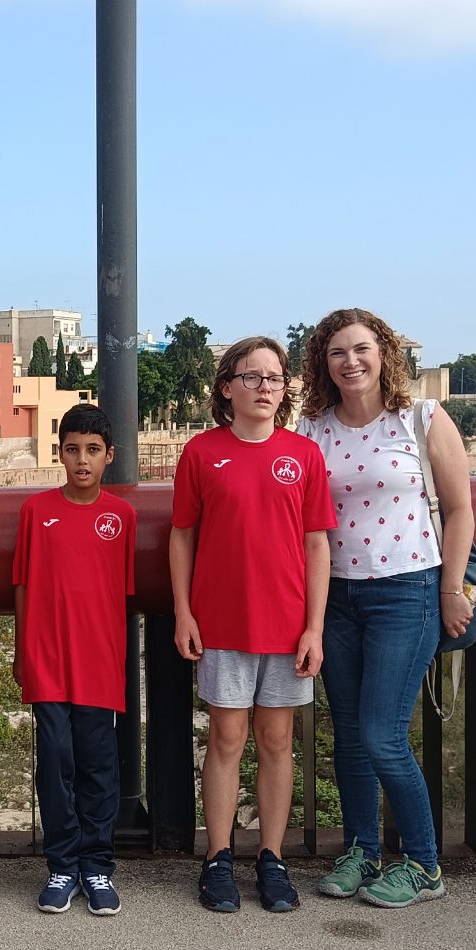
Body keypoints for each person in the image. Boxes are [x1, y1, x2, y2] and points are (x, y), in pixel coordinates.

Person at [297, 309, 472, 910]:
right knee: (349, 735)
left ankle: (423, 864)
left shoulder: (422, 418)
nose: (350, 362)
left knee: (382, 734)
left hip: (407, 591)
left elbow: (460, 509)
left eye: (361, 349)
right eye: (337, 352)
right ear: (323, 363)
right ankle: (362, 850)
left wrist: (451, 589)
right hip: (336, 596)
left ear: (384, 355)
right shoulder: (312, 429)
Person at [170, 337, 332, 915]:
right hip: (222, 623)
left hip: (287, 627)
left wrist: (314, 628)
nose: (265, 387)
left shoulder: (304, 455)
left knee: (277, 741)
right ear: (227, 387)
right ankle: (218, 858)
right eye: (252, 376)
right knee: (225, 739)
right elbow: (182, 535)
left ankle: (271, 857)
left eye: (275, 378)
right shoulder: (201, 452)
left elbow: (317, 545)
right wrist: (184, 612)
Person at [13, 404, 136, 917]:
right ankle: (62, 865)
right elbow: (23, 584)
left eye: (92, 450)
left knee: (98, 764)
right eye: (72, 449)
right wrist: (22, 650)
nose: (82, 460)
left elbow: (121, 595)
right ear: (59, 453)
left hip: (99, 662)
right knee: (55, 761)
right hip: (47, 658)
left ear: (109, 455)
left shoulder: (121, 516)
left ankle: (97, 865)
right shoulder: (36, 511)